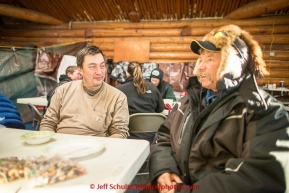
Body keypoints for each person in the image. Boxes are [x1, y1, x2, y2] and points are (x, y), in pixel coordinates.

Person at [149, 24, 289, 192]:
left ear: (232, 65)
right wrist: (163, 169)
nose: (200, 66)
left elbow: (260, 177)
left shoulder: (264, 111)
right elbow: (164, 137)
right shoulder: (186, 102)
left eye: (210, 59)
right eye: (201, 59)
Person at [40, 46, 129, 138]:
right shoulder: (62, 91)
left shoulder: (118, 97)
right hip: (61, 147)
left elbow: (119, 132)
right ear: (80, 70)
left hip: (96, 148)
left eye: (102, 66)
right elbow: (48, 124)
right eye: (93, 67)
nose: (99, 72)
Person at [116, 61, 164, 143]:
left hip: (128, 136)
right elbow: (160, 109)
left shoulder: (118, 90)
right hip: (152, 136)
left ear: (127, 73)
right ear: (142, 73)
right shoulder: (152, 87)